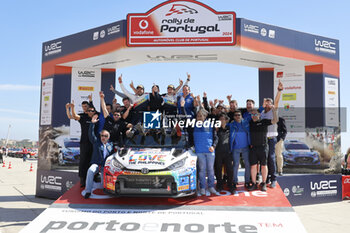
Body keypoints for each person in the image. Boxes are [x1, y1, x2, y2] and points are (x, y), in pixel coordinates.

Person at [248, 106, 278, 192]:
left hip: (263, 147)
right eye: (252, 114)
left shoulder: (264, 121)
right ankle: (254, 184)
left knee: (264, 166)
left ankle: (264, 183)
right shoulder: (250, 122)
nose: (253, 116)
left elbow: (275, 120)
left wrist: (275, 111)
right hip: (253, 147)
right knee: (253, 166)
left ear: (259, 115)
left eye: (255, 114)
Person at [84, 114, 114, 199]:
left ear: (108, 137)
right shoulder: (96, 142)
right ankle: (88, 191)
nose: (103, 137)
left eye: (105, 136)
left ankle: (110, 190)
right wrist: (92, 124)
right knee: (90, 170)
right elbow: (91, 134)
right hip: (96, 164)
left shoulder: (110, 145)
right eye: (102, 135)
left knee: (102, 186)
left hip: (105, 166)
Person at [67, 101, 96, 187]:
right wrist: (72, 107)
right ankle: (82, 179)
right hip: (84, 142)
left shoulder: (94, 116)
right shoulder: (83, 117)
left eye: (86, 106)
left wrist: (91, 101)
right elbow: (74, 116)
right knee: (83, 161)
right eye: (83, 106)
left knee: (92, 160)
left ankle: (92, 178)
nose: (84, 108)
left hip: (93, 142)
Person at [260, 81, 283, 188]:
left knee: (271, 158)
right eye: (266, 102)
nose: (267, 104)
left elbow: (277, 101)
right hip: (263, 139)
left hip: (271, 138)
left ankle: (274, 179)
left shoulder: (273, 110)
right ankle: (267, 178)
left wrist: (279, 91)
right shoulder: (262, 113)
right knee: (265, 159)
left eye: (269, 102)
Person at [193, 108, 219, 196]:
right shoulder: (193, 125)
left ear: (205, 116)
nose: (200, 117)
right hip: (199, 151)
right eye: (198, 116)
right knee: (202, 170)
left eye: (201, 116)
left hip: (210, 151)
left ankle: (211, 186)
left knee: (211, 170)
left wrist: (213, 146)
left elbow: (216, 138)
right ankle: (203, 187)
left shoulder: (211, 125)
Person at [229, 110, 251, 189]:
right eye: (236, 115)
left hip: (246, 147)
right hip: (235, 148)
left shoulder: (246, 123)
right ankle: (234, 181)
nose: (237, 116)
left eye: (239, 115)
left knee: (247, 164)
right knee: (235, 165)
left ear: (241, 116)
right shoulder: (231, 125)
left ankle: (247, 181)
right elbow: (223, 124)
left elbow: (255, 115)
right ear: (234, 117)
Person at [215, 113, 233, 193]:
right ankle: (219, 184)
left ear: (226, 120)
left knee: (229, 169)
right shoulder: (216, 129)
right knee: (218, 169)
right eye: (220, 119)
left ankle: (230, 185)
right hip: (218, 152)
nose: (222, 120)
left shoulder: (229, 128)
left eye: (223, 119)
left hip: (228, 152)